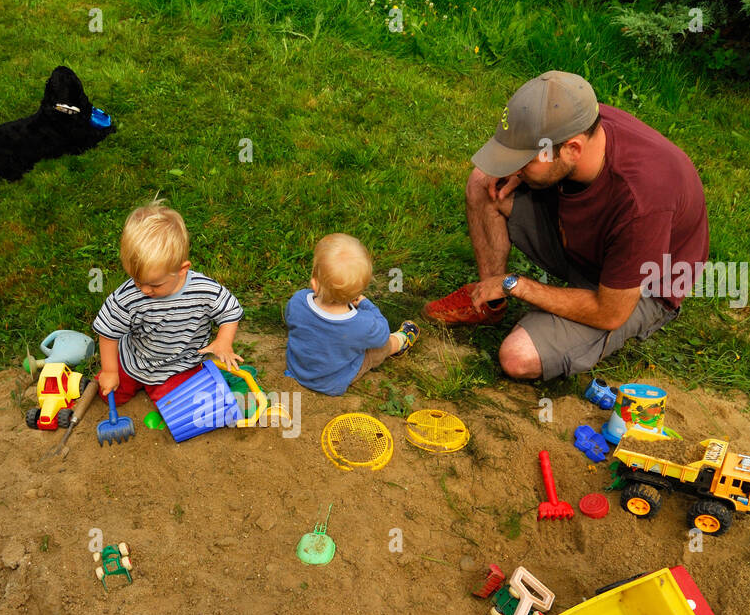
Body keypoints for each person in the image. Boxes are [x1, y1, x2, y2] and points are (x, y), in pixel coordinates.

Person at [424, 71, 709, 381]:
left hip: (635, 290)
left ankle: (507, 288)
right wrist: (521, 170)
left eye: (525, 159)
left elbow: (609, 311)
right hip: (586, 242)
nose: (515, 167)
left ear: (572, 149)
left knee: (518, 356)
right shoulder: (575, 118)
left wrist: (517, 284)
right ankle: (487, 301)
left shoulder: (642, 201)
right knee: (485, 181)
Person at [93, 200, 243, 404]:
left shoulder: (204, 290)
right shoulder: (128, 296)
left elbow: (230, 310)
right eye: (138, 280)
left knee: (179, 404)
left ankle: (165, 389)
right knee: (109, 393)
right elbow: (108, 332)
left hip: (180, 365)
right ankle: (113, 379)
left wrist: (224, 341)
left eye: (154, 284)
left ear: (182, 269)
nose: (144, 290)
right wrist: (110, 371)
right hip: (135, 360)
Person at [284, 233, 419, 396]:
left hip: (298, 369)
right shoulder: (363, 324)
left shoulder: (298, 301)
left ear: (315, 284)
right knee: (381, 347)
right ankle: (402, 340)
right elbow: (382, 333)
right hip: (333, 381)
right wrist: (365, 304)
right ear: (358, 292)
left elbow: (290, 320)